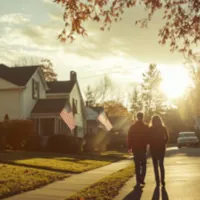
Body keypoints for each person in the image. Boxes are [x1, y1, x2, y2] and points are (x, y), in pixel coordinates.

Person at [128, 112, 149, 186]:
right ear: (142, 117)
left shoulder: (133, 127)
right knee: (143, 164)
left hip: (135, 148)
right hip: (143, 148)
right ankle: (142, 179)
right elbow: (149, 137)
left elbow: (129, 137)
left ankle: (138, 180)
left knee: (137, 165)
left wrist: (129, 147)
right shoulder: (145, 126)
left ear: (137, 117)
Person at [149, 115, 169, 187]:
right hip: (161, 148)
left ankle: (157, 181)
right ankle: (162, 180)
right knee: (161, 164)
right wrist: (164, 143)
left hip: (153, 148)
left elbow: (148, 138)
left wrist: (151, 144)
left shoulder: (151, 128)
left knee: (155, 166)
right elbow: (167, 137)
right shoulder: (163, 128)